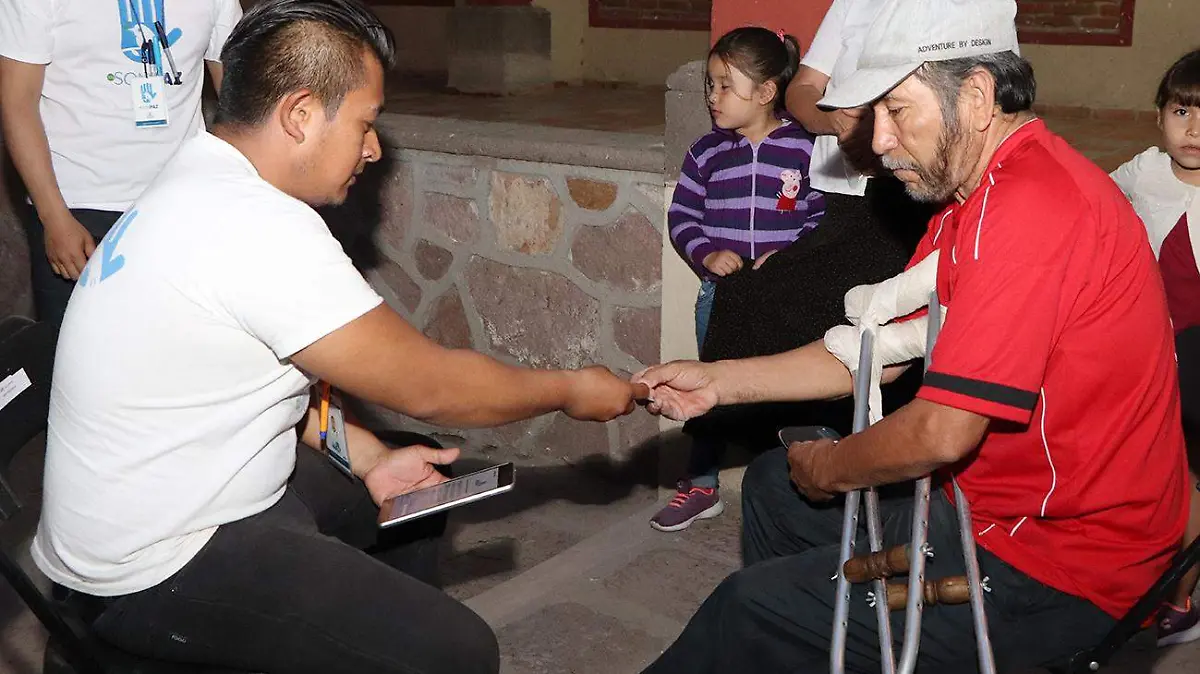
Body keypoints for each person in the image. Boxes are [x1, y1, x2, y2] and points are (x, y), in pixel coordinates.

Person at [30, 2, 642, 673]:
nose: (374, 147)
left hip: (168, 504)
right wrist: (571, 389)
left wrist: (373, 457)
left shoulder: (198, 172)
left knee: (409, 487)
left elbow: (258, 380)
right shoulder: (256, 228)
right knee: (459, 651)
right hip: (150, 565)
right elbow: (432, 387)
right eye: (366, 122)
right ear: (299, 115)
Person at [636, 0, 1190, 671]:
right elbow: (872, 352)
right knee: (775, 486)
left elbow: (941, 432)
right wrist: (718, 383)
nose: (880, 140)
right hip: (989, 513)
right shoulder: (975, 198)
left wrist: (836, 468)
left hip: (1058, 564)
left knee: (749, 608)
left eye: (898, 111)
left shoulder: (1029, 211)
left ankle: (809, 626)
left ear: (978, 98)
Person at [657, 26, 825, 532]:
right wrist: (706, 254)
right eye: (710, 85)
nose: (713, 96)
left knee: (790, 388)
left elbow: (821, 219)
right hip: (723, 297)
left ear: (767, 91)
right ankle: (701, 484)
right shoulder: (706, 152)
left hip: (784, 296)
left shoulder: (806, 150)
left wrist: (790, 257)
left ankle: (809, 483)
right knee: (709, 386)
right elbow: (682, 216)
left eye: (725, 85)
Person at [0, 0, 243, 328]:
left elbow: (241, 95)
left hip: (183, 205)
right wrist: (53, 217)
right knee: (76, 356)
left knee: (176, 347)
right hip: (79, 210)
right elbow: (17, 103)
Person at [1110, 47, 1200, 647]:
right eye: (1182, 110)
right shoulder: (1142, 171)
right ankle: (1177, 592)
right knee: (1166, 470)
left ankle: (1183, 592)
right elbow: (1093, 209)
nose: (1194, 129)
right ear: (1159, 116)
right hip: (1151, 348)